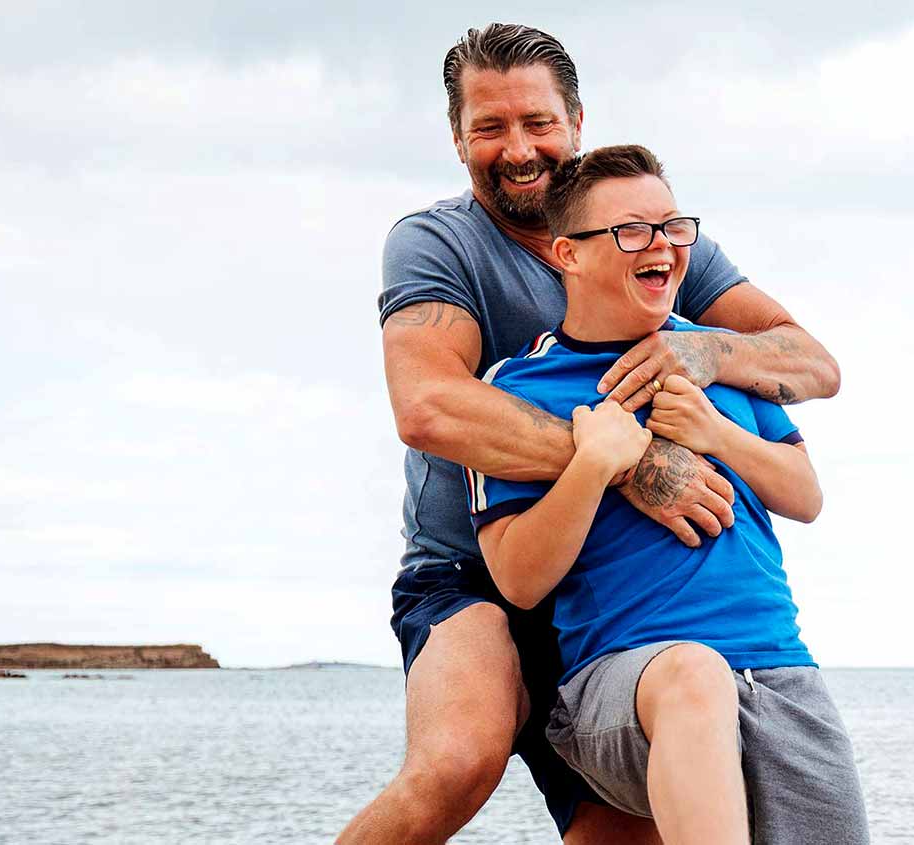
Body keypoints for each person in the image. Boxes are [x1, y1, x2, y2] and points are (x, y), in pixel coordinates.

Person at [338, 24, 841, 845]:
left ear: (576, 121)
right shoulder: (438, 242)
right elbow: (430, 404)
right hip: (471, 568)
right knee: (459, 760)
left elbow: (813, 364)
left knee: (629, 826)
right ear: (458, 137)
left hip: (611, 589)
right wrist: (631, 463)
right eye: (490, 127)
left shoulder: (660, 239)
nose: (518, 148)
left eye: (537, 122)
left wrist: (709, 344)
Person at [472, 145, 869, 845]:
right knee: (695, 673)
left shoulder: (721, 354)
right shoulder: (519, 388)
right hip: (624, 688)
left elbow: (805, 495)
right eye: (631, 230)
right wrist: (592, 466)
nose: (661, 246)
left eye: (672, 226)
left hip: (780, 673)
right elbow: (518, 578)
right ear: (568, 252)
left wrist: (716, 431)